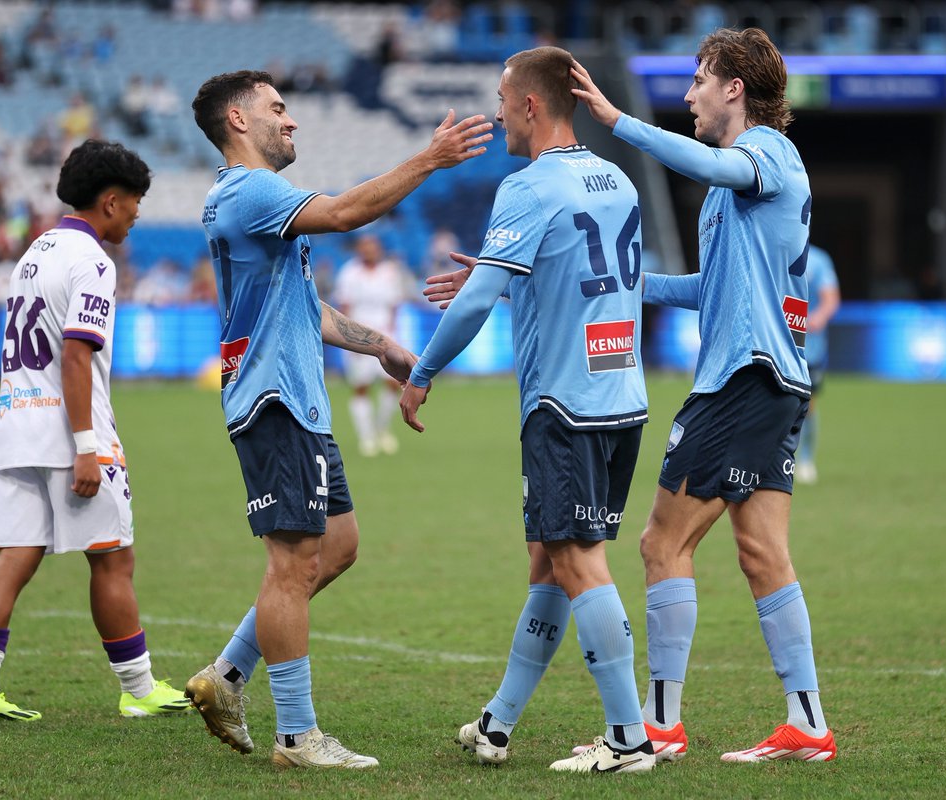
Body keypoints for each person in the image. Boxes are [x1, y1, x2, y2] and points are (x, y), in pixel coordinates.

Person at [183, 69, 491, 769]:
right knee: (292, 564)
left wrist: (380, 345)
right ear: (238, 120)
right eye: (277, 109)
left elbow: (303, 306)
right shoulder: (253, 190)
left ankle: (226, 676)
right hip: (274, 402)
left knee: (338, 547)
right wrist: (428, 159)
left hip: (298, 402)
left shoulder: (250, 202)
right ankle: (297, 734)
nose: (291, 122)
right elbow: (350, 212)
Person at [569, 28, 837, 762]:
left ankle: (660, 723)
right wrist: (628, 286)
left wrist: (620, 124)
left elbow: (709, 162)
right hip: (772, 378)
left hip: (741, 379)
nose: (688, 94)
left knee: (663, 542)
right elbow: (711, 288)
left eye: (698, 80)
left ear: (734, 90)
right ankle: (807, 724)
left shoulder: (765, 156)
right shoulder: (735, 189)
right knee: (762, 554)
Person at [399, 46, 657, 774]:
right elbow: (581, 277)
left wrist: (421, 371)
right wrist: (501, 275)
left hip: (563, 404)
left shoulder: (527, 185)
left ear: (532, 106)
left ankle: (628, 739)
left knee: (576, 562)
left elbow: (478, 301)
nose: (499, 112)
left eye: (503, 99)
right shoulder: (617, 181)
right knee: (549, 561)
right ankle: (498, 723)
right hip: (622, 400)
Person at [0, 139, 191, 722]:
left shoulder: (34, 251)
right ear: (110, 201)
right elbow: (76, 355)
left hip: (16, 427)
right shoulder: (92, 261)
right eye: (135, 202)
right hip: (71, 433)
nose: (138, 214)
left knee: (14, 558)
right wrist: (88, 446)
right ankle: (139, 690)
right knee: (113, 560)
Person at [333, 233, 411, 456]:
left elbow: (394, 306)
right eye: (365, 246)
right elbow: (345, 307)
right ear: (358, 249)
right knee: (361, 388)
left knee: (394, 384)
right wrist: (348, 340)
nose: (369, 250)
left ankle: (382, 429)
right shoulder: (349, 273)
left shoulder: (389, 272)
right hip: (359, 339)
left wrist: (395, 335)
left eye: (373, 246)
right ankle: (366, 437)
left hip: (386, 337)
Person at [795, 245, 840, 484]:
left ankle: (806, 459)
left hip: (809, 349)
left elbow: (830, 299)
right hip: (776, 344)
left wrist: (819, 317)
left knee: (807, 405)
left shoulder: (818, 260)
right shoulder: (774, 250)